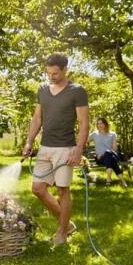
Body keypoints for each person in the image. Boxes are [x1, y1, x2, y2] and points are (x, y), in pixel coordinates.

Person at [22, 53, 89, 246]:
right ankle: (67, 224)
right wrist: (29, 142)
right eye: (49, 73)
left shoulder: (77, 91)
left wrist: (78, 150)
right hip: (45, 147)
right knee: (37, 189)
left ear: (65, 69)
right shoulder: (43, 89)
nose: (51, 76)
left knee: (62, 190)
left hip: (65, 147)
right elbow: (37, 118)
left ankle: (62, 232)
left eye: (55, 73)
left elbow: (84, 123)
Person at [88, 117, 128, 187]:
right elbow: (85, 140)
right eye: (98, 124)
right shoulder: (95, 134)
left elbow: (115, 149)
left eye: (101, 123)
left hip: (110, 155)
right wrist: (88, 130)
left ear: (105, 124)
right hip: (100, 158)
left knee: (108, 154)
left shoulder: (112, 134)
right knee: (112, 160)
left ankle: (109, 179)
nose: (99, 125)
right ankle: (122, 181)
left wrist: (106, 152)